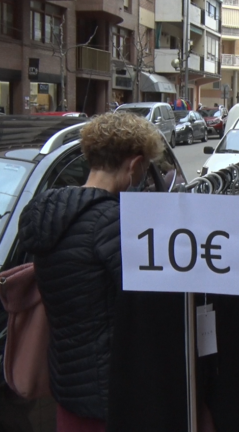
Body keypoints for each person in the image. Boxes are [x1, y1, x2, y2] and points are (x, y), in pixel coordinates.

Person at [17, 112, 164, 431]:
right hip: (113, 397)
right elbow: (148, 308)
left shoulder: (48, 215)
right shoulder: (114, 223)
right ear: (135, 164)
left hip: (67, 386)